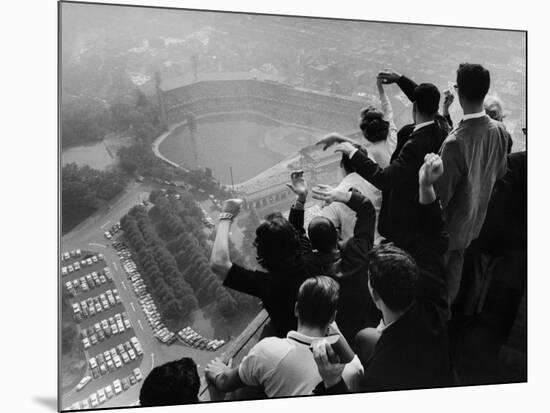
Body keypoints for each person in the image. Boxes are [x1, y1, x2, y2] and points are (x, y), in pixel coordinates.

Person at [311, 154, 453, 393]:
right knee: (365, 336)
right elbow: (433, 236)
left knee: (363, 337)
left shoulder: (381, 374)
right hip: (442, 370)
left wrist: (332, 380)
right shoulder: (434, 300)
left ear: (375, 296)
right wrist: (426, 185)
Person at [317, 71, 447, 250]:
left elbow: (385, 179)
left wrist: (351, 151)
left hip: (405, 220)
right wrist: (401, 80)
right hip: (423, 211)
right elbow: (419, 99)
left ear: (414, 106)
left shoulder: (415, 144)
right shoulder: (441, 126)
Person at [204, 276, 364, 398]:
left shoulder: (268, 351)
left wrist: (217, 372)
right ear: (332, 318)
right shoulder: (354, 368)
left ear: (296, 309)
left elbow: (225, 383)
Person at [434, 63, 510, 309]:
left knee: (436, 287)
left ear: (460, 93)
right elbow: (500, 172)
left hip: (448, 230)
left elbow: (439, 197)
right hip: (474, 223)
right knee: (453, 280)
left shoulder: (455, 142)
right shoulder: (499, 131)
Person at [285, 170, 380, 344]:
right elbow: (367, 211)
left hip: (332, 338)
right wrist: (340, 195)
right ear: (337, 237)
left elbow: (295, 236)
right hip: (367, 327)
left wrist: (301, 199)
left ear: (311, 244)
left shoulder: (308, 268)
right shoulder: (358, 253)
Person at [210, 200, 310, 338]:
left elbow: (219, 263)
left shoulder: (267, 285)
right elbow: (296, 230)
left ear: (262, 252)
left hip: (291, 342)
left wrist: (226, 216)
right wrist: (300, 200)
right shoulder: (308, 258)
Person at [317, 153, 383, 244]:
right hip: (386, 247)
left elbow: (327, 235)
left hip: (356, 253)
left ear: (342, 165)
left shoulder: (332, 198)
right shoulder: (381, 187)